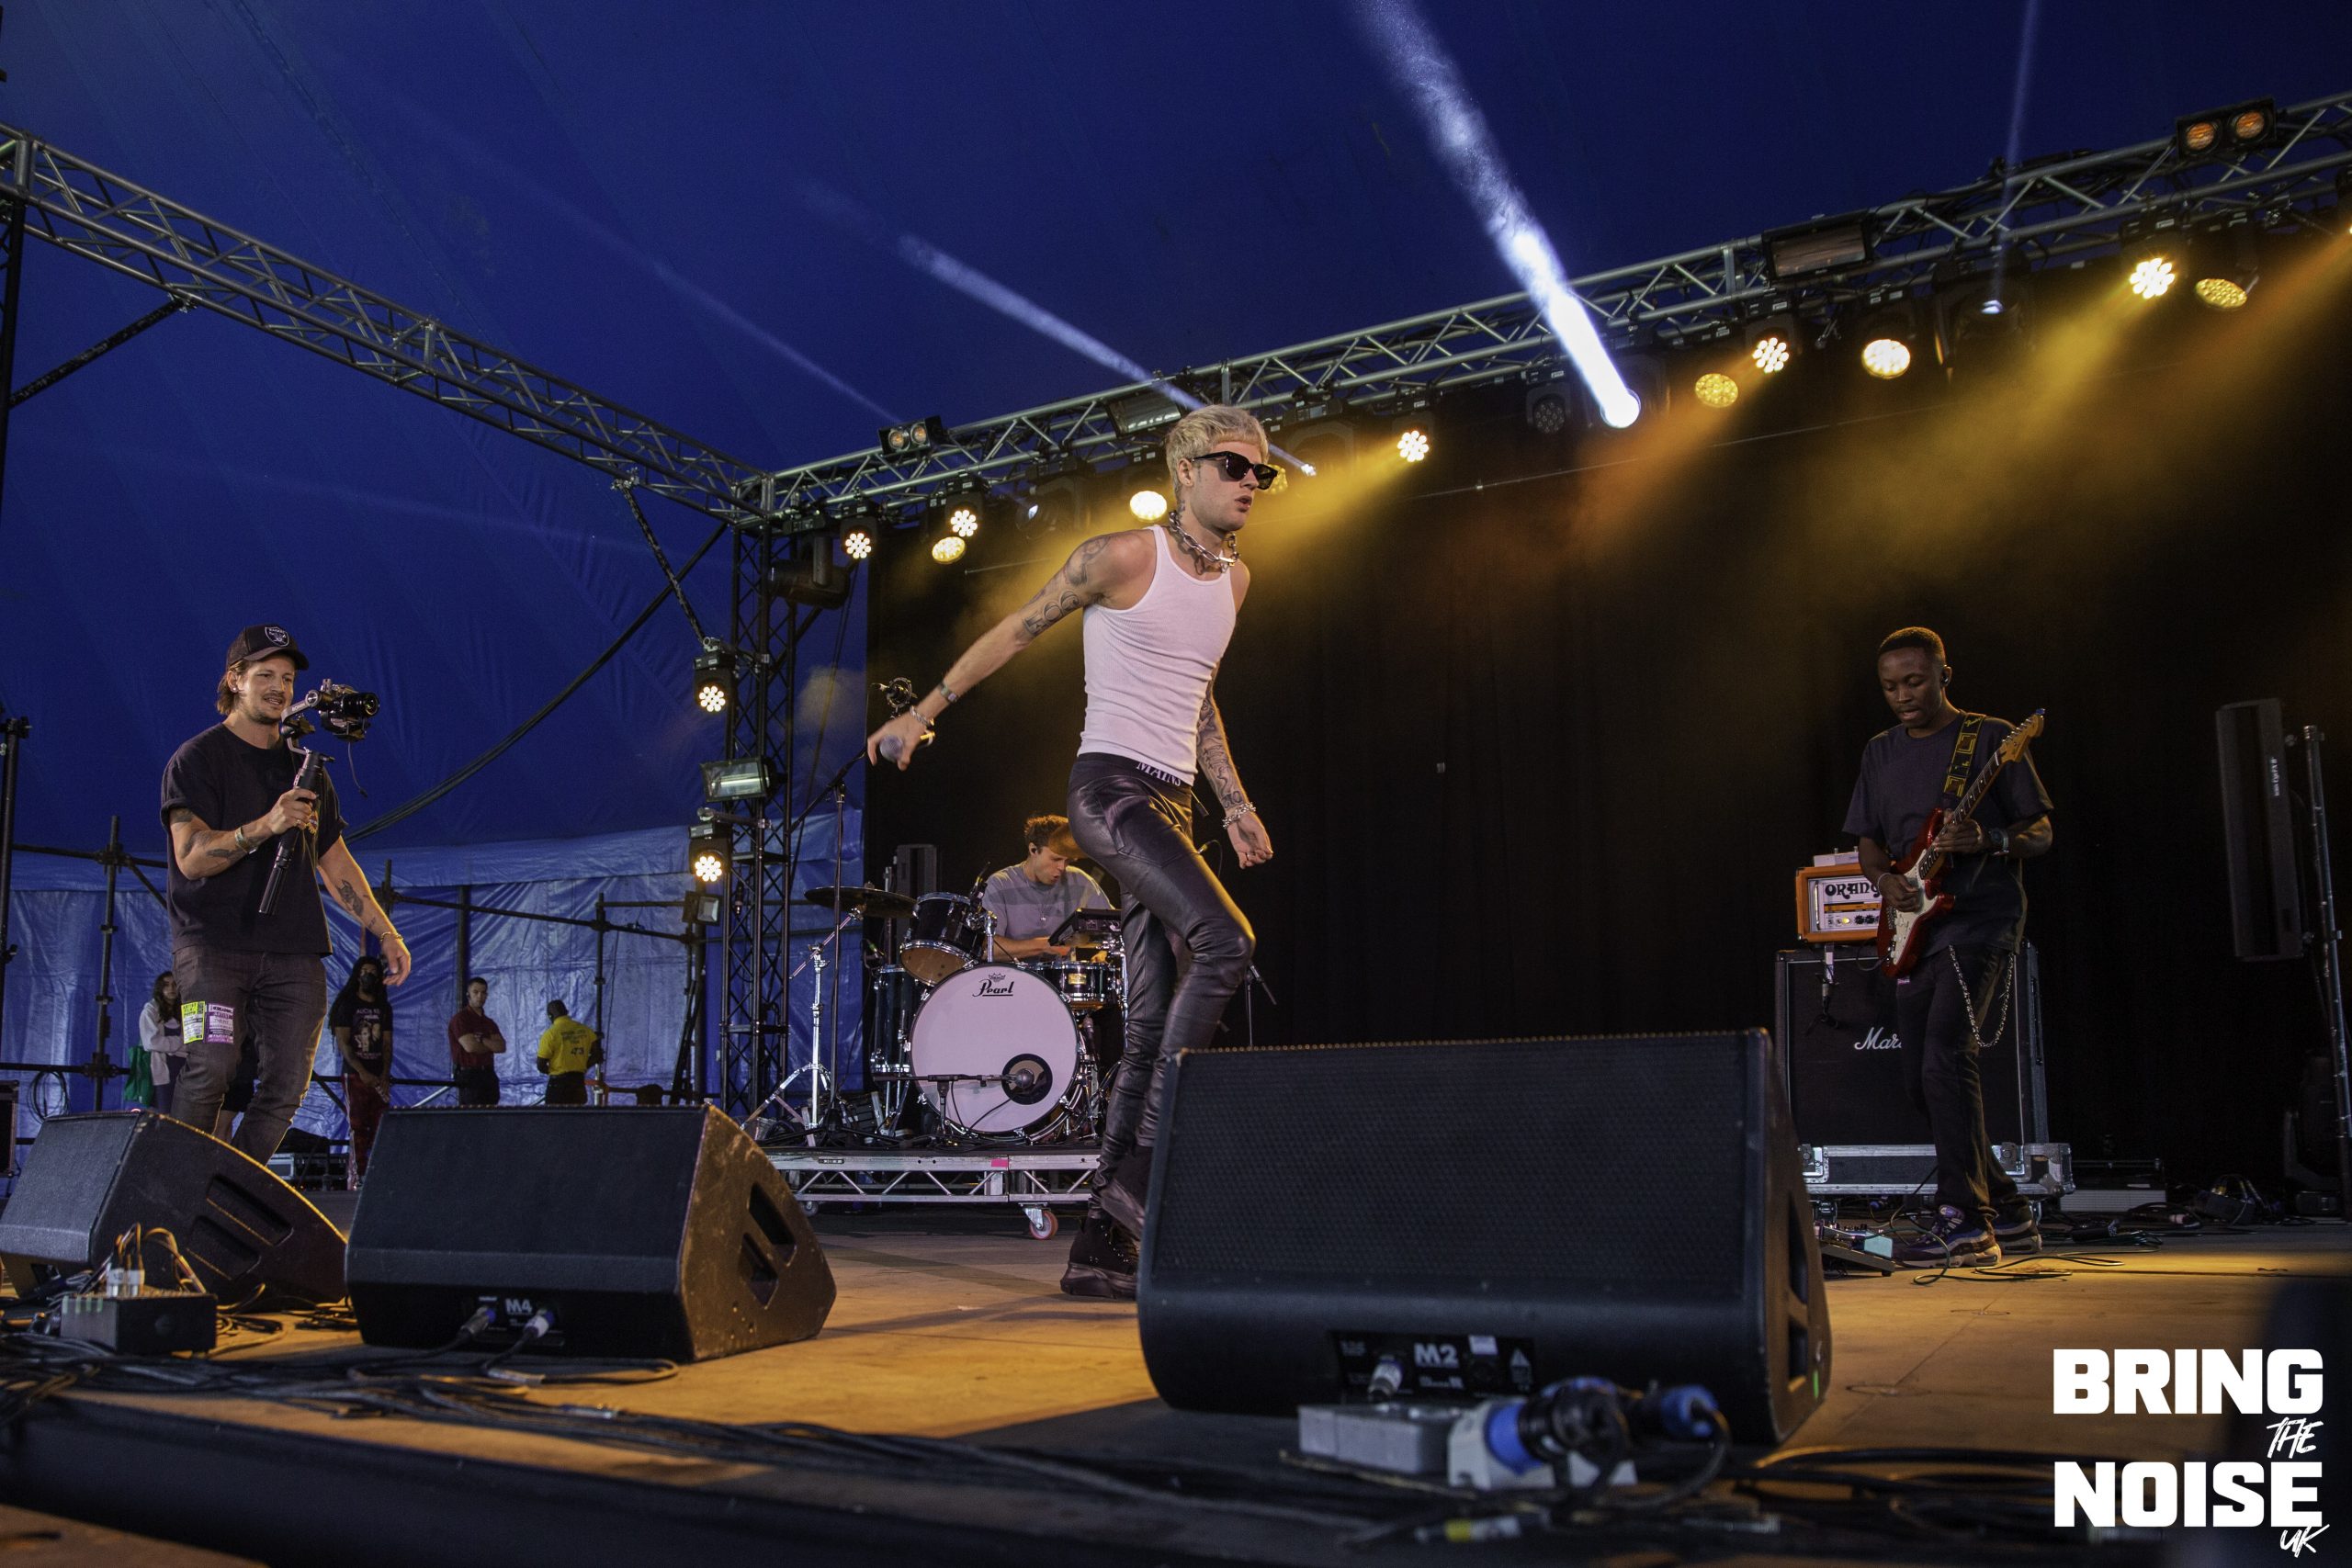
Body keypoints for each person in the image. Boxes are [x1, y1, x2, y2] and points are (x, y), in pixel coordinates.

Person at [868, 405, 1276, 1302]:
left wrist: (1236, 803)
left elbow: (1200, 697)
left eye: (1262, 472)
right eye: (1234, 466)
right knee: (1226, 940)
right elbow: (1019, 626)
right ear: (1185, 470)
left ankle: (1100, 1248)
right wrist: (921, 713)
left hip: (1172, 804)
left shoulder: (1234, 582)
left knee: (1148, 1026)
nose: (1252, 482)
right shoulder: (1122, 556)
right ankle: (1139, 1186)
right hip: (1108, 792)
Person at [162, 624, 411, 1166]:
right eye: (266, 675)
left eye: (288, 678)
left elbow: (335, 861)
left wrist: (385, 931)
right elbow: (192, 857)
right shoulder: (198, 758)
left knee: (289, 1085)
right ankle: (174, 1184)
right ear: (235, 680)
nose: (279, 687)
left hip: (294, 951)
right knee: (212, 1068)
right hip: (213, 945)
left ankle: (232, 1186)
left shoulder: (306, 769)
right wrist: (265, 826)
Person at [1844, 626, 2053, 1269]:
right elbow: (1869, 840)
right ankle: (2010, 1212)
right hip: (1915, 927)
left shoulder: (1990, 738)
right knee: (1921, 1082)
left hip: (1979, 920)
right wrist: (1883, 880)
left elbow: (2040, 831)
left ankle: (1965, 1222)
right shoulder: (1879, 751)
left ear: (1943, 675)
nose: (1902, 695)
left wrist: (1990, 840)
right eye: (1890, 686)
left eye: (1914, 681)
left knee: (1944, 1057)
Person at [979, 814, 1112, 962]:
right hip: (1011, 976)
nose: (1062, 867)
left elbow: (1116, 929)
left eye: (1068, 861)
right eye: (1056, 859)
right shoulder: (1000, 884)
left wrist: (1103, 954)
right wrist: (1045, 945)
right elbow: (986, 948)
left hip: (1064, 977)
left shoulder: (1081, 881)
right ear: (1033, 850)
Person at [329, 953, 394, 1186]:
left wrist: (384, 1074)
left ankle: (378, 1177)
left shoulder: (383, 1007)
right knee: (357, 1126)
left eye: (374, 973)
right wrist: (361, 1071)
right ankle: (356, 1179)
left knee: (381, 1126)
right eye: (365, 972)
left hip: (378, 1075)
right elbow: (344, 1044)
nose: (369, 976)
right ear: (358, 975)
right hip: (355, 1075)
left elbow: (387, 1044)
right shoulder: (347, 1005)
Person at [447, 976, 506, 1106]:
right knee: (473, 1114)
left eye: (483, 992)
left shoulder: (489, 1022)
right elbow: (470, 1047)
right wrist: (490, 1045)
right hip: (470, 1075)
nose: (480, 996)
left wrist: (482, 1040)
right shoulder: (461, 1019)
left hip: (488, 1074)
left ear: (487, 995)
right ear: (468, 994)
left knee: (491, 1113)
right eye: (476, 992)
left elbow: (502, 1047)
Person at [135, 970, 187, 1117]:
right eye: (166, 985)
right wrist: (179, 1043)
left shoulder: (186, 1009)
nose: (171, 989)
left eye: (174, 984)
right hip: (161, 1072)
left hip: (185, 1071)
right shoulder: (150, 1011)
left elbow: (194, 1042)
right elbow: (151, 1042)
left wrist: (172, 1046)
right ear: (160, 988)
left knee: (184, 1116)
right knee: (164, 1116)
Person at [537, 999, 601, 1107]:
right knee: (575, 1116)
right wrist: (582, 1066)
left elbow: (540, 1065)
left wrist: (555, 1071)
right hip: (578, 1083)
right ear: (566, 1012)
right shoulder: (586, 1030)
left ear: (550, 1016)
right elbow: (597, 1055)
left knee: (556, 1116)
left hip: (558, 1086)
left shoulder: (550, 1034)